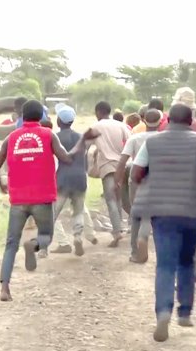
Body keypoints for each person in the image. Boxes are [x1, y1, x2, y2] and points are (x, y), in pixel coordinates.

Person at [130, 103, 196, 342]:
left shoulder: (151, 142)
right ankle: (184, 312)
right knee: (187, 260)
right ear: (190, 121)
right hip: (195, 212)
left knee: (165, 264)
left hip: (162, 213)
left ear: (168, 121)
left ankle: (163, 312)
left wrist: (145, 179)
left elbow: (135, 172)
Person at [0, 100, 73, 301]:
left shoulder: (11, 138)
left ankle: (5, 288)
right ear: (42, 117)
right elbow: (65, 158)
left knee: (11, 243)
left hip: (18, 200)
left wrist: (1, 184)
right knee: (46, 236)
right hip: (43, 198)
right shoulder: (48, 135)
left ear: (22, 117)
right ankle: (34, 245)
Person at [75, 101, 131, 247]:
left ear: (98, 112)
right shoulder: (121, 125)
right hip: (123, 166)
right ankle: (122, 227)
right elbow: (130, 142)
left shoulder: (95, 127)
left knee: (111, 199)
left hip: (107, 167)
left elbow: (84, 148)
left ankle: (117, 231)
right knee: (119, 198)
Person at [115, 109, 162, 263]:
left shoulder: (135, 138)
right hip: (158, 180)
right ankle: (162, 251)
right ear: (161, 122)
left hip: (136, 179)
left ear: (144, 121)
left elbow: (122, 162)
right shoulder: (164, 139)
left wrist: (117, 181)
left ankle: (136, 251)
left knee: (136, 215)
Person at [50, 104, 90, 256]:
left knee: (53, 213)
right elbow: (86, 160)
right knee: (78, 210)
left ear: (59, 121)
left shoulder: (55, 137)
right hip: (80, 177)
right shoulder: (81, 137)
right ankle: (78, 237)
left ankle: (58, 241)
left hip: (62, 179)